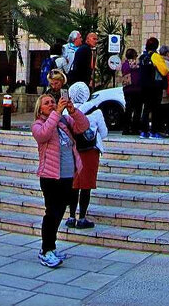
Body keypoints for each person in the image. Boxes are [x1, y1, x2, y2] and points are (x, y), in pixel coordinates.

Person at [30, 91, 90, 268]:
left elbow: (83, 126)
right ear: (40, 108)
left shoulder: (63, 121)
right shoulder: (38, 124)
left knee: (60, 211)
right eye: (47, 103)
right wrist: (57, 113)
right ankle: (45, 249)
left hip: (67, 175)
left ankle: (52, 246)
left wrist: (73, 111)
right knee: (51, 212)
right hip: (50, 176)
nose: (51, 104)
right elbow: (44, 135)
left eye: (52, 102)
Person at [65, 82, 108, 229]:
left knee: (74, 183)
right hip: (90, 151)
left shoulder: (66, 112)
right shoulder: (96, 111)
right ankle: (82, 217)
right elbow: (104, 132)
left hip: (73, 150)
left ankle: (71, 216)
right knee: (86, 185)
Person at [139, 37, 164, 138]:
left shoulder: (142, 57)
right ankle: (154, 132)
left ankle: (144, 131)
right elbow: (164, 70)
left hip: (144, 86)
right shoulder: (155, 56)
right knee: (155, 110)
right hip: (155, 86)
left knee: (146, 109)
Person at [121, 48, 142, 135]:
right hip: (137, 89)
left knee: (128, 110)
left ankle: (126, 128)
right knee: (137, 110)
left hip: (127, 89)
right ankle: (135, 129)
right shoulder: (137, 64)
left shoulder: (124, 65)